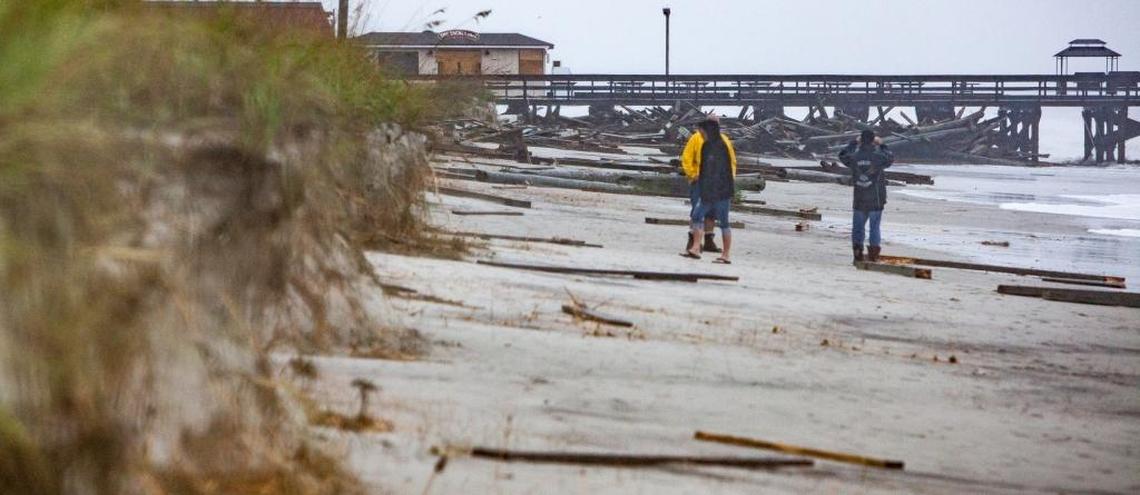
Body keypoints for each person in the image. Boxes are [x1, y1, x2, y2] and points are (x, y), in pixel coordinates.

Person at [680, 114, 737, 263]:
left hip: (714, 186)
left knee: (711, 216)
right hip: (706, 183)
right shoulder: (698, 139)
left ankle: (708, 244)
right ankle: (695, 245)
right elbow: (687, 158)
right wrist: (693, 175)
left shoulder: (720, 142)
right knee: (697, 214)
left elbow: (730, 164)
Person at [838, 130, 894, 262]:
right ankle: (874, 255)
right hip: (876, 197)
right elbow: (890, 158)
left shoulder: (855, 157)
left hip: (860, 197)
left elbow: (842, 155)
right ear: (873, 140)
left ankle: (857, 254)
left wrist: (853, 143)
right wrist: (882, 145)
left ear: (861, 140)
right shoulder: (879, 157)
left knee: (858, 228)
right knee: (874, 227)